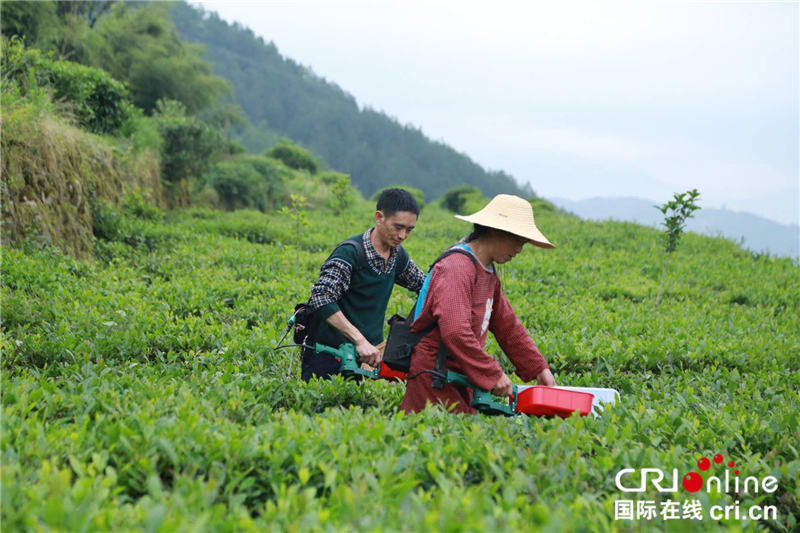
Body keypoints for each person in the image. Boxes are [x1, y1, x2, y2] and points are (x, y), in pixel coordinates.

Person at [401, 194, 556, 414]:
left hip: (461, 375)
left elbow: (507, 325)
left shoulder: (488, 272)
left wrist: (539, 368)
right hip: (435, 378)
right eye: (518, 240)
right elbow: (455, 331)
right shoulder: (457, 267)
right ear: (496, 230)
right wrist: (491, 373)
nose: (520, 249)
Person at [302, 188, 426, 381]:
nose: (402, 236)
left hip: (370, 357)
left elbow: (425, 286)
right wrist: (359, 340)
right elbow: (321, 297)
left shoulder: (398, 255)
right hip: (330, 353)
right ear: (379, 217)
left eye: (409, 230)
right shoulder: (351, 253)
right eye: (398, 227)